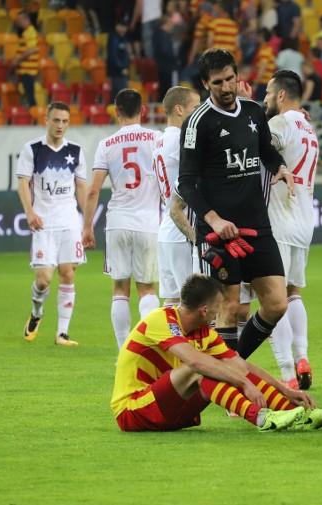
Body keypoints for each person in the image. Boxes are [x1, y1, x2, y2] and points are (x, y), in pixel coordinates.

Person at [177, 48, 295, 359]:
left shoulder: (253, 112)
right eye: (218, 83)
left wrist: (280, 167)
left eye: (231, 79)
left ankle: (233, 365)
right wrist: (214, 220)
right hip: (219, 232)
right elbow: (185, 182)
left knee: (277, 304)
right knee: (228, 308)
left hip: (256, 224)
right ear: (206, 84)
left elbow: (266, 152)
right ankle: (230, 383)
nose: (227, 88)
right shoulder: (197, 123)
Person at [112, 274, 322, 432]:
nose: (217, 313)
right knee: (201, 368)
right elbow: (194, 362)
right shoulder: (160, 319)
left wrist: (286, 390)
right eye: (216, 308)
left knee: (223, 366)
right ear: (204, 310)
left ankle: (301, 414)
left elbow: (242, 366)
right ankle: (261, 418)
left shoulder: (203, 332)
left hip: (169, 410)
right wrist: (242, 384)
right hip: (133, 410)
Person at [83, 88, 161, 350]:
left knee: (120, 289)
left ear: (116, 112)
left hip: (118, 221)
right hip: (149, 223)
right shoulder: (157, 138)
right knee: (148, 290)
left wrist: (87, 228)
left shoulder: (106, 144)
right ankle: (150, 350)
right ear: (142, 110)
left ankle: (122, 352)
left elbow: (93, 190)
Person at [262, 70, 319, 390]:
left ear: (282, 95)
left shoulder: (281, 123)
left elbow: (258, 140)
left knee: (272, 298)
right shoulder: (308, 127)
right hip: (303, 219)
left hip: (279, 219)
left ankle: (286, 373)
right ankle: (302, 356)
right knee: (294, 293)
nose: (266, 98)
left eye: (269, 93)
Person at [17, 102, 89, 347]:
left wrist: (87, 221)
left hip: (69, 221)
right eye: (56, 120)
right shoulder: (32, 150)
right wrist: (30, 212)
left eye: (65, 121)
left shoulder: (76, 151)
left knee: (68, 273)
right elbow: (23, 183)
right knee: (43, 280)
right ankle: (37, 312)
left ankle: (62, 333)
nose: (60, 126)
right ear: (46, 119)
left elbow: (81, 188)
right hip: (43, 223)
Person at [154, 86, 202, 307]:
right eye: (196, 107)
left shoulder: (160, 141)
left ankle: (165, 341)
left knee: (172, 300)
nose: (200, 112)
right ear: (180, 109)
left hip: (166, 230)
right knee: (194, 301)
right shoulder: (180, 140)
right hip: (184, 227)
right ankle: (189, 343)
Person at [11, 11, 39, 108]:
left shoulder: (30, 31)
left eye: (19, 20)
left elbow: (31, 49)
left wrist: (18, 60)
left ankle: (36, 119)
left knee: (30, 96)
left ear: (25, 19)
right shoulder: (26, 32)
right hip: (25, 69)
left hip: (28, 70)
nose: (18, 22)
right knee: (28, 95)